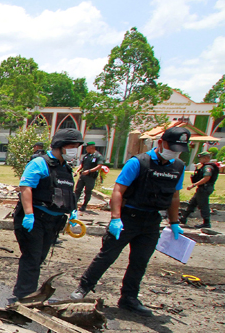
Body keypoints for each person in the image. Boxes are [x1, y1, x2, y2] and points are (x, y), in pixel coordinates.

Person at [71, 127, 190, 315]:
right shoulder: (139, 162)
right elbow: (118, 191)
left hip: (151, 221)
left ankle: (129, 298)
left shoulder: (178, 167)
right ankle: (83, 289)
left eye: (178, 150)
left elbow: (174, 196)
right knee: (107, 256)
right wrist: (116, 218)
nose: (174, 153)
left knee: (140, 261)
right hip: (128, 217)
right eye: (171, 147)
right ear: (160, 143)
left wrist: (174, 222)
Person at [11, 128, 83, 301]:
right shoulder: (39, 163)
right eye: (72, 146)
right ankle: (24, 296)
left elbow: (67, 192)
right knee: (32, 258)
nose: (74, 150)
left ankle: (29, 293)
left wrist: (72, 212)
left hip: (54, 221)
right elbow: (26, 188)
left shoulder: (65, 168)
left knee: (39, 257)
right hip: (35, 219)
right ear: (60, 146)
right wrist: (29, 214)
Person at [180, 151, 218, 229]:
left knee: (203, 204)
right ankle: (184, 218)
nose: (199, 160)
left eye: (201, 158)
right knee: (193, 202)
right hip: (203, 188)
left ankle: (206, 222)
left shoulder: (208, 167)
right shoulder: (204, 166)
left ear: (206, 158)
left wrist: (193, 185)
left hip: (205, 188)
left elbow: (206, 178)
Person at [74, 141, 104, 211]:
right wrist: (77, 170)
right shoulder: (86, 156)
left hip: (90, 177)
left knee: (87, 191)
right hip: (83, 176)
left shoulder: (98, 156)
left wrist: (89, 171)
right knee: (77, 190)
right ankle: (74, 204)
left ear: (91, 147)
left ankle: (84, 205)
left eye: (87, 148)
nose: (86, 149)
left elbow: (99, 166)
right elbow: (82, 164)